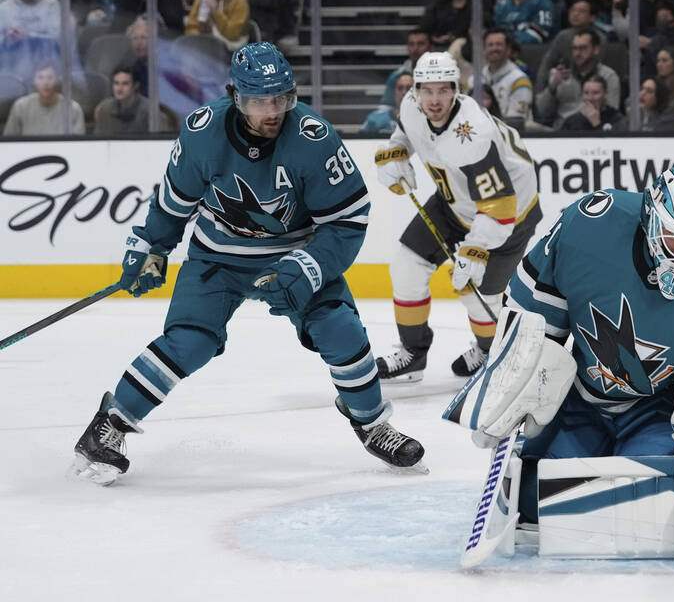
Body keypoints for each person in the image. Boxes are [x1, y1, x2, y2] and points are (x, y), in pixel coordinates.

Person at [71, 42, 425, 483]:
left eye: (281, 99)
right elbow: (172, 202)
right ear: (235, 96)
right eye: (259, 101)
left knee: (341, 329)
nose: (272, 110)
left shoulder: (313, 139)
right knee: (189, 342)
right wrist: (150, 246)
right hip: (218, 257)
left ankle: (373, 425)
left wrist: (309, 265)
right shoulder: (203, 133)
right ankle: (111, 423)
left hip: (294, 253)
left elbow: (349, 221)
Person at [484, 162, 674, 527]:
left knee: (650, 509)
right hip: (576, 397)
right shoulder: (590, 226)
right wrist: (512, 384)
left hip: (657, 412)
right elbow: (532, 320)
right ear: (651, 217)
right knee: (534, 503)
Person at [373, 51, 542, 382]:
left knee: (477, 294)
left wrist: (474, 250)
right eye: (427, 91)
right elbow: (406, 133)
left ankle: (490, 352)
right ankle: (413, 353)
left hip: (510, 217)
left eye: (444, 90)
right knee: (406, 266)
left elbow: (501, 205)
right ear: (415, 90)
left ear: (457, 89)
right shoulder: (411, 105)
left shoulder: (473, 135)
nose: (435, 100)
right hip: (453, 204)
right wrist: (395, 155)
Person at [535, 29, 620, 127]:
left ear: (596, 50)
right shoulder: (559, 74)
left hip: (593, 130)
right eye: (574, 48)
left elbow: (612, 114)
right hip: (561, 132)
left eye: (583, 48)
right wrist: (553, 86)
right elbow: (541, 113)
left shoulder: (608, 76)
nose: (578, 53)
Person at [2, 64, 83, 136]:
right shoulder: (21, 106)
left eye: (50, 77)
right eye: (40, 77)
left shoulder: (73, 108)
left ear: (57, 81)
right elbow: (9, 139)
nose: (45, 82)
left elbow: (79, 144)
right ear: (34, 81)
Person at [92, 67, 177, 135]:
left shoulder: (149, 111)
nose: (119, 88)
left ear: (135, 85)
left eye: (125, 83)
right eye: (116, 83)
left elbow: (162, 141)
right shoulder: (105, 109)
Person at [480, 27, 533, 123]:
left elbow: (516, 122)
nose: (494, 48)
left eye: (499, 44)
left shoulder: (520, 80)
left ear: (508, 49)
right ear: (484, 49)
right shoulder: (475, 79)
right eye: (490, 45)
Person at [559, 74, 626, 132]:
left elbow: (614, 145)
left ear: (605, 94)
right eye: (586, 93)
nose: (590, 98)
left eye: (595, 93)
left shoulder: (617, 120)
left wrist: (596, 124)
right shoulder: (573, 121)